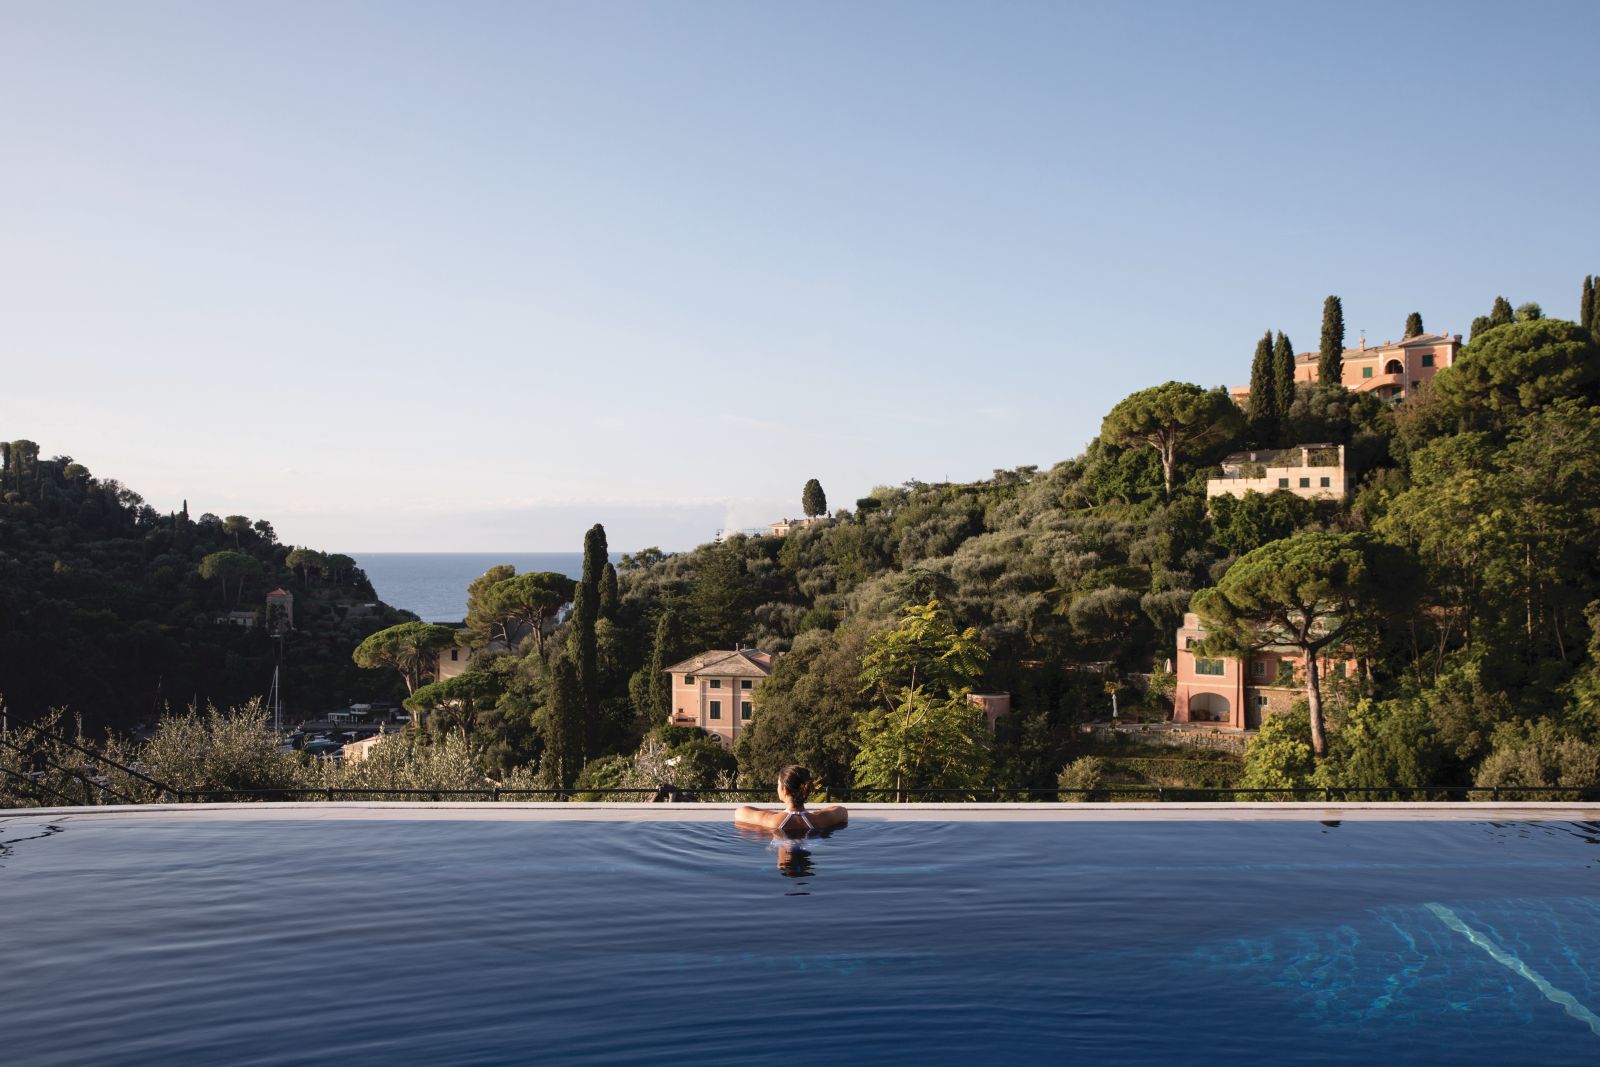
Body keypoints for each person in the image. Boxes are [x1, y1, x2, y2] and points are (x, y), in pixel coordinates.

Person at [734, 765, 847, 837]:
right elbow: (842, 811)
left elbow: (739, 812)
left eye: (778, 784)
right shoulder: (819, 820)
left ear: (785, 789)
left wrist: (774, 815)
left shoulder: (772, 821)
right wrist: (816, 814)